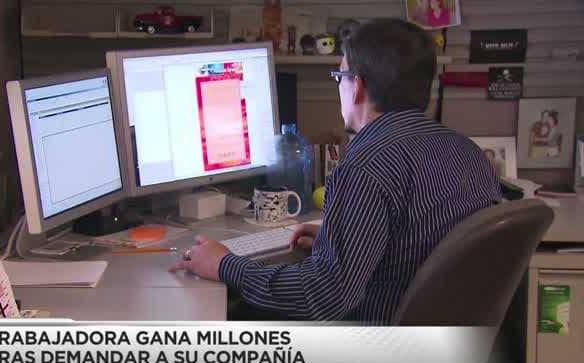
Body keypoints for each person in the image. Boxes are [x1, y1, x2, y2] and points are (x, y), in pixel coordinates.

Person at [170, 18, 501, 325]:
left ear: (357, 87)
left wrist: (225, 265)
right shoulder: (467, 152)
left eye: (339, 76)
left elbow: (322, 298)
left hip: (375, 351)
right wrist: (341, 240)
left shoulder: (366, 165)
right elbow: (420, 247)